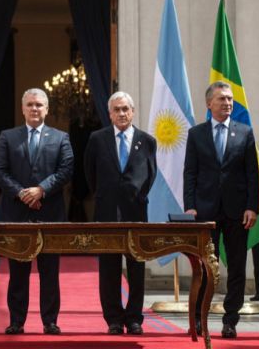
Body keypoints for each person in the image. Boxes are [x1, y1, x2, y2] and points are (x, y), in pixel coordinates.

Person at [0, 88, 74, 335]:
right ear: (22, 108)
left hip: (50, 214)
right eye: (30, 104)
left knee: (50, 273)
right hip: (16, 214)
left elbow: (66, 170)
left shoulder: (61, 138)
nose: (35, 109)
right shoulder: (8, 136)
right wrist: (22, 194)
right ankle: (16, 321)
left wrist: (41, 190)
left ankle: (50, 321)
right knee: (18, 272)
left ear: (47, 109)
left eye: (39, 104)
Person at [183, 82, 259, 339]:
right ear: (209, 104)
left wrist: (252, 207)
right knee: (203, 268)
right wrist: (190, 206)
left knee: (237, 266)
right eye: (222, 99)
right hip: (204, 211)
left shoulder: (245, 132)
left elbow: (252, 174)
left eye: (230, 99)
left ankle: (230, 320)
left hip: (237, 211)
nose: (228, 103)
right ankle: (198, 319)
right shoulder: (196, 134)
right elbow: (190, 173)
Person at [84, 91, 157, 336]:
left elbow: (150, 175)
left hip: (136, 214)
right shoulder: (97, 139)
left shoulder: (147, 141)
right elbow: (90, 174)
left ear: (133, 111)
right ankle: (114, 319)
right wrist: (108, 196)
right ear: (110, 113)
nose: (122, 113)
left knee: (137, 268)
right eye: (117, 109)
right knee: (109, 270)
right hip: (106, 213)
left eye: (126, 108)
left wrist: (133, 195)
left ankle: (135, 318)